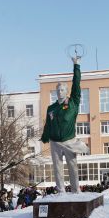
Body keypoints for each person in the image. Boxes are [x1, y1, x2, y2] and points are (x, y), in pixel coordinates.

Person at [40, 56, 87, 193]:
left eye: (62, 90)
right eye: (58, 90)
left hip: (69, 140)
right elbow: (48, 125)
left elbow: (76, 83)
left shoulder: (73, 103)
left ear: (66, 92)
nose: (60, 92)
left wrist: (76, 65)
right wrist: (45, 137)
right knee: (57, 167)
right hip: (55, 142)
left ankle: (76, 190)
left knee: (73, 166)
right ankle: (61, 190)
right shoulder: (51, 108)